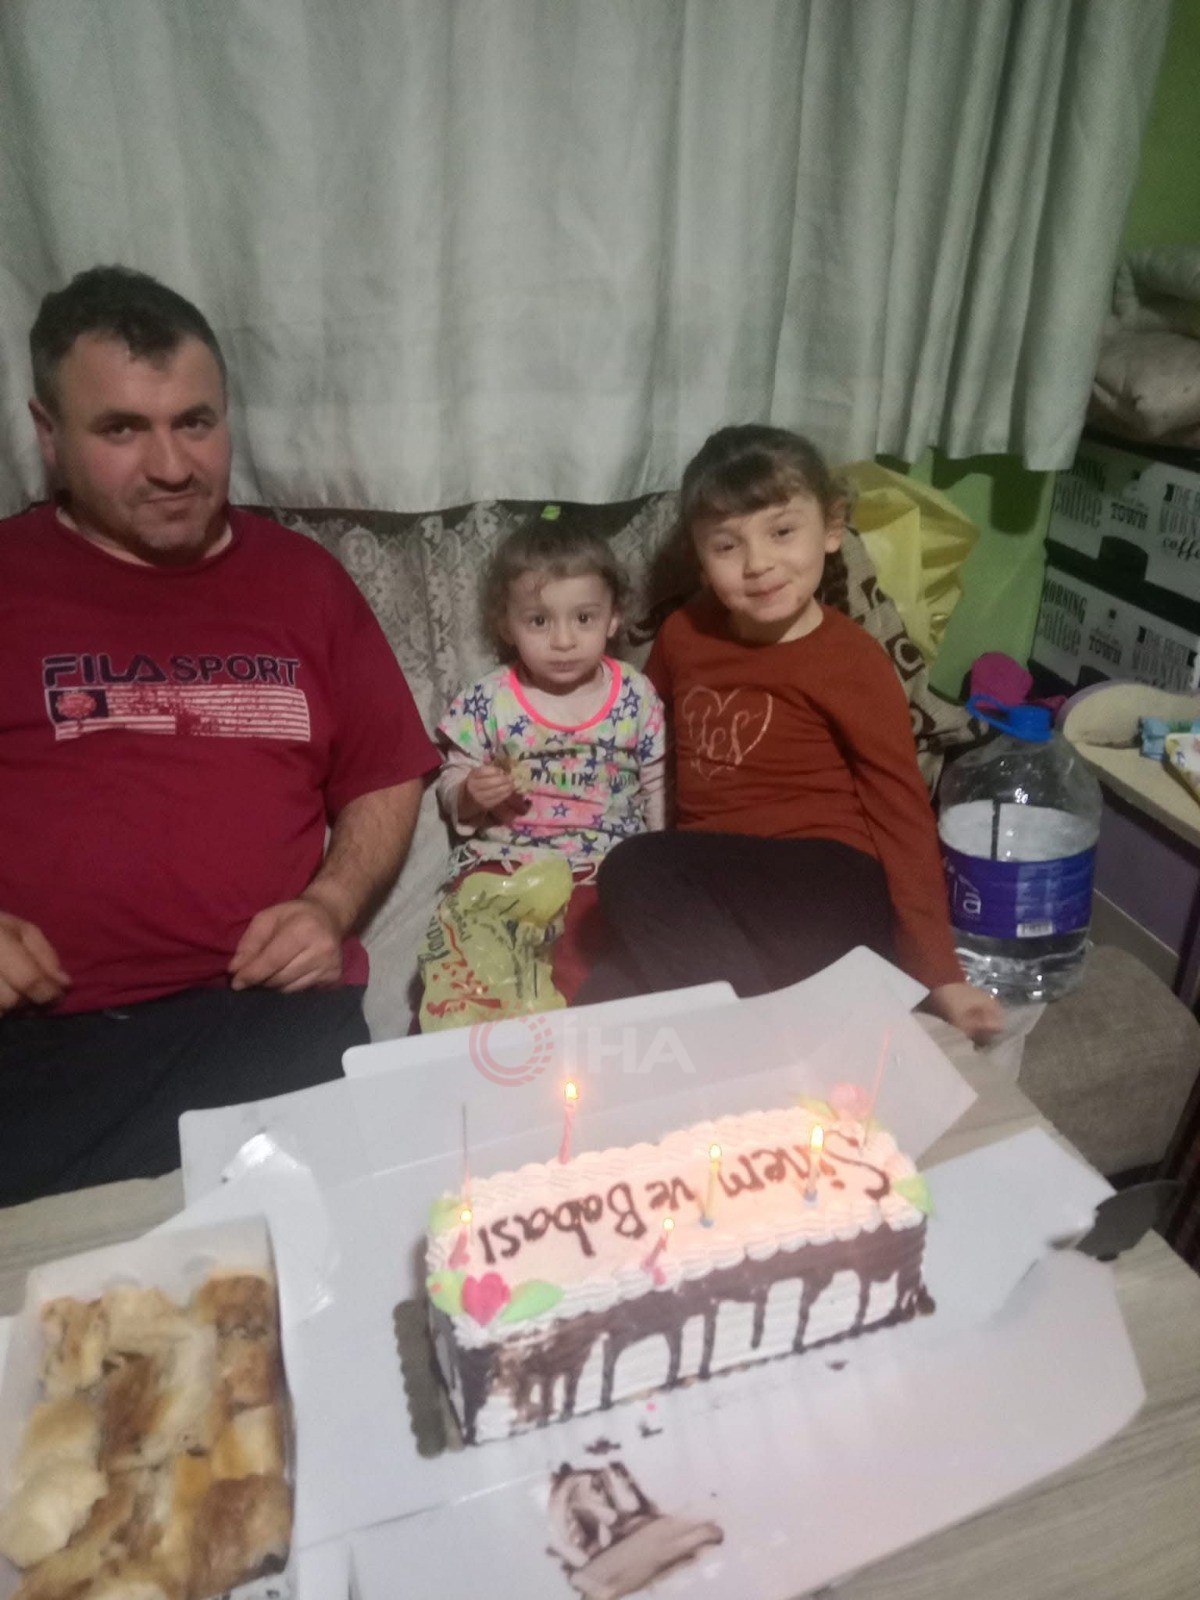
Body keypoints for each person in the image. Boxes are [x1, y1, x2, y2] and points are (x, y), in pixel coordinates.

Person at [0, 266, 439, 1203]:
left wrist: (329, 906)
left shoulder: (303, 581)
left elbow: (384, 774)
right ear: (48, 433)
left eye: (195, 423)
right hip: (42, 1040)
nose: (172, 466)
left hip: (266, 1018)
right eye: (122, 429)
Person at [576, 425, 1005, 1042]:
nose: (758, 564)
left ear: (831, 528)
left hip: (829, 890)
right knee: (599, 1005)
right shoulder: (683, 636)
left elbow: (902, 810)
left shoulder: (851, 659)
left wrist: (941, 974)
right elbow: (634, 729)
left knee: (635, 870)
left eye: (782, 532)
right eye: (728, 545)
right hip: (719, 892)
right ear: (699, 558)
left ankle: (760, 1042)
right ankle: (764, 1036)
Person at [430, 511, 665, 1011]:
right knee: (466, 972)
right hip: (505, 864)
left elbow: (656, 784)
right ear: (506, 624)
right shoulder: (488, 699)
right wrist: (470, 793)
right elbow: (452, 781)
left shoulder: (636, 695)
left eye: (584, 618)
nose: (563, 640)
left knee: (589, 974)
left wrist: (657, 860)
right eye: (539, 621)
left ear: (613, 617)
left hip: (601, 869)